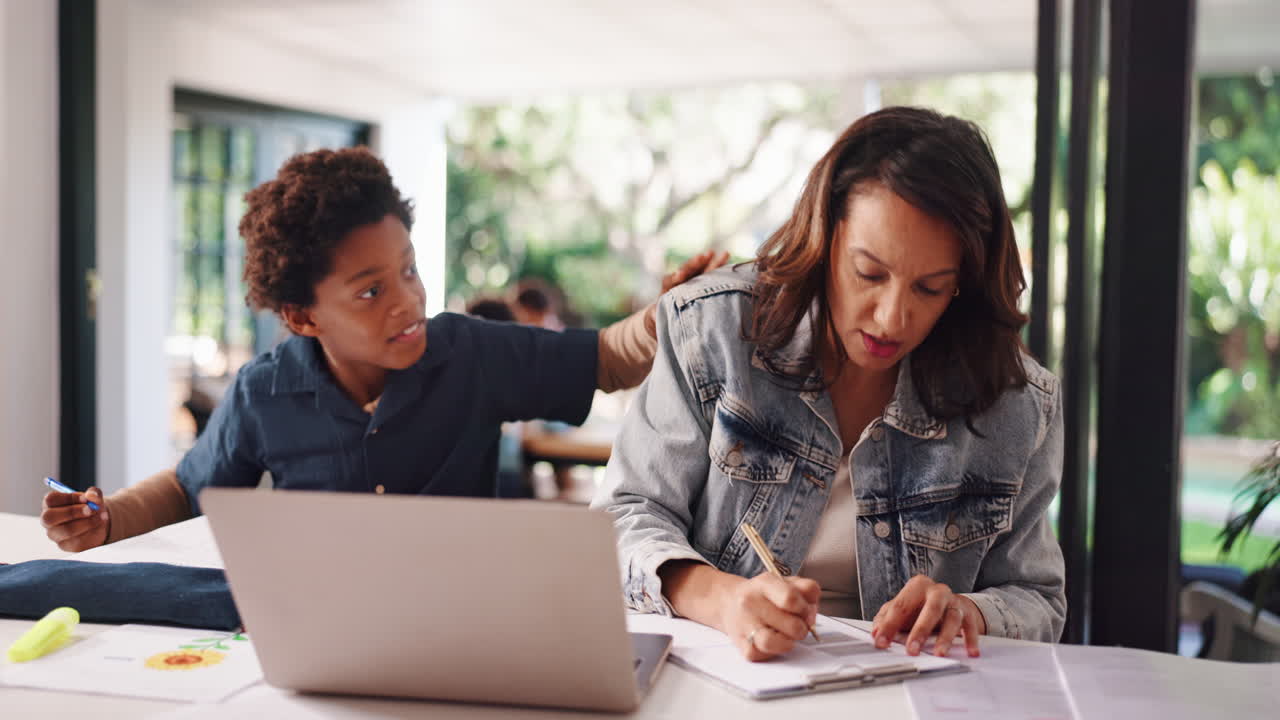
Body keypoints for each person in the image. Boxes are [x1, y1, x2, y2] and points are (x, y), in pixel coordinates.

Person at [42, 147, 728, 552]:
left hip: (465, 617)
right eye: (371, 292)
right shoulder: (264, 391)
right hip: (323, 622)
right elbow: (187, 487)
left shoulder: (469, 352)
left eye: (409, 269)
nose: (407, 300)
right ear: (301, 315)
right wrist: (105, 521)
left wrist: (669, 312)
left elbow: (608, 357)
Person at [592, 107, 1066, 664]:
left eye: (931, 289)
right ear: (826, 234)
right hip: (720, 682)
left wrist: (970, 611)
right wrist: (725, 599)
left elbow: (1038, 599)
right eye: (869, 274)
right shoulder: (715, 329)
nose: (892, 319)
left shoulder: (1015, 401)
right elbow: (623, 518)